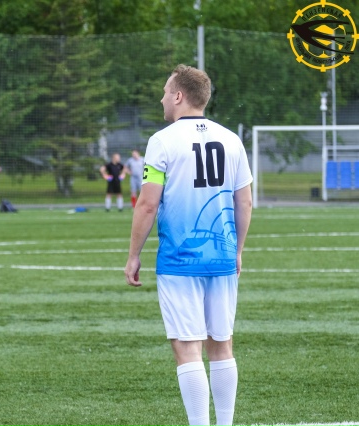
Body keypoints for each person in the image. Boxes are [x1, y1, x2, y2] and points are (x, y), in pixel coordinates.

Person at [124, 64, 253, 426]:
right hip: (222, 257)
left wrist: (133, 256)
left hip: (180, 260)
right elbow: (244, 202)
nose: (162, 99)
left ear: (179, 96)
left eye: (166, 92)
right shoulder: (231, 139)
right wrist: (237, 250)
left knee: (187, 347)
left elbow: (147, 204)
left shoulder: (162, 141)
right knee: (221, 345)